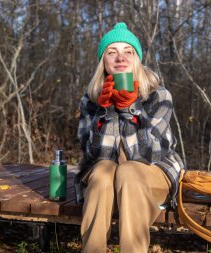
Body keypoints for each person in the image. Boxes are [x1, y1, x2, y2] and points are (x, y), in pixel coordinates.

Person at [76, 22, 184, 252]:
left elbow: (149, 155)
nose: (120, 58)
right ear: (103, 61)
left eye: (128, 52)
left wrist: (129, 108)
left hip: (152, 174)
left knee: (128, 170)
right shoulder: (90, 100)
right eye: (111, 52)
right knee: (103, 172)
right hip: (106, 179)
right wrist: (107, 112)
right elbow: (93, 155)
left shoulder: (159, 95)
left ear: (137, 59)